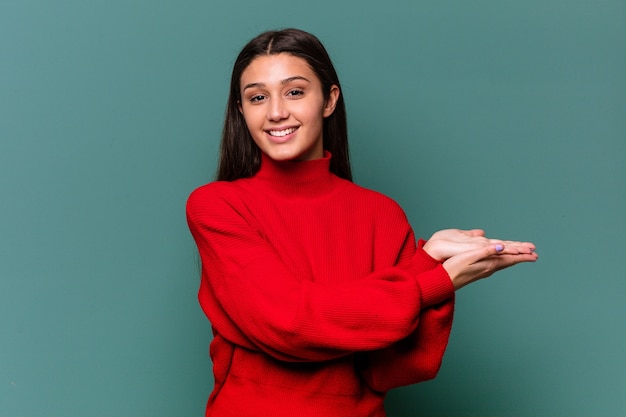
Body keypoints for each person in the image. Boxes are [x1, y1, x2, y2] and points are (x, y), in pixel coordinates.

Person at [186, 28, 538, 417]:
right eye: (257, 97)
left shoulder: (381, 214)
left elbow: (395, 367)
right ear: (241, 110)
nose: (275, 112)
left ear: (329, 100)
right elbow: (290, 322)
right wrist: (435, 280)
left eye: (295, 91)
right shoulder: (217, 206)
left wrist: (431, 260)